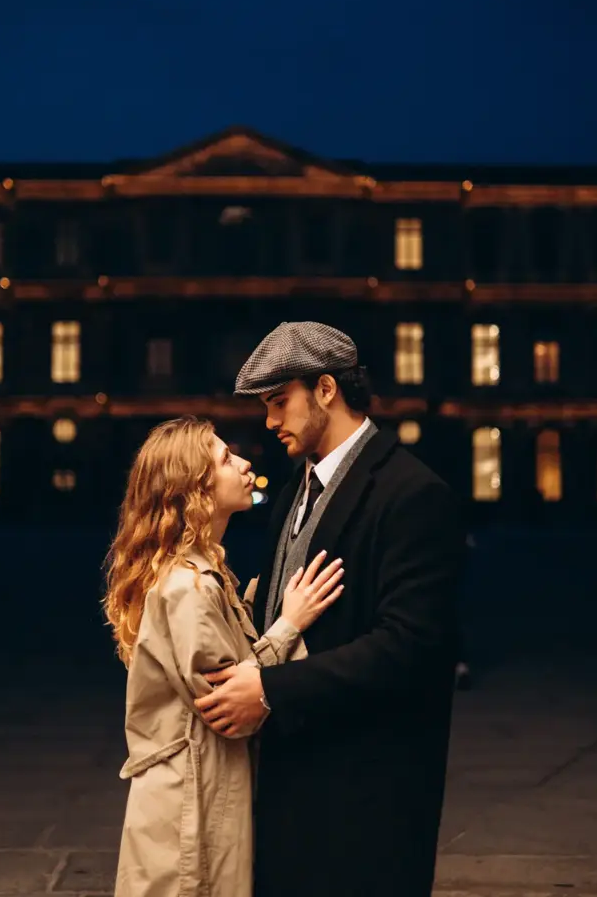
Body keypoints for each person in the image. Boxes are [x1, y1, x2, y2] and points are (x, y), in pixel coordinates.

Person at [194, 322, 465, 897]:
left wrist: (270, 690)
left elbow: (412, 647)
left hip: (369, 797)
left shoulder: (412, 493)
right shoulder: (295, 489)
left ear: (325, 390)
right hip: (291, 789)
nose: (270, 422)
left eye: (278, 402)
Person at [103, 415, 344, 897]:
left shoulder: (200, 572)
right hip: (191, 811)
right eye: (225, 458)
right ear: (195, 489)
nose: (244, 461)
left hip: (190, 800)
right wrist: (289, 625)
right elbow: (234, 708)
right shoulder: (187, 587)